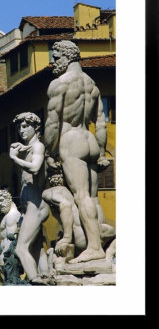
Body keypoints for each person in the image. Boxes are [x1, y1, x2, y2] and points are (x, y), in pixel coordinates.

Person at [44, 40, 110, 264]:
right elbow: (100, 121)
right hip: (90, 140)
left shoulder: (59, 84)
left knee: (81, 198)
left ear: (68, 57)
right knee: (92, 198)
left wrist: (48, 152)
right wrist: (101, 152)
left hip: (71, 142)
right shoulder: (92, 85)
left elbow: (52, 124)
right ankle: (99, 241)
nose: (53, 62)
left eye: (56, 57)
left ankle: (93, 248)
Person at [10, 112, 50, 284]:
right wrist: (22, 149)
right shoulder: (29, 148)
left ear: (36, 128)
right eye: (19, 127)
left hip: (36, 204)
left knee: (20, 248)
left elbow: (35, 168)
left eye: (25, 126)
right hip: (29, 206)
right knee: (36, 249)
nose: (21, 130)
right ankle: (47, 277)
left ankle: (35, 280)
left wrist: (13, 158)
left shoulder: (38, 147)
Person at [0, 189, 21, 264]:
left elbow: (12, 240)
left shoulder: (11, 216)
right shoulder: (8, 216)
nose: (0, 204)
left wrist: (3, 257)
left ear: (8, 199)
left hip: (8, 255)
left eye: (1, 200)